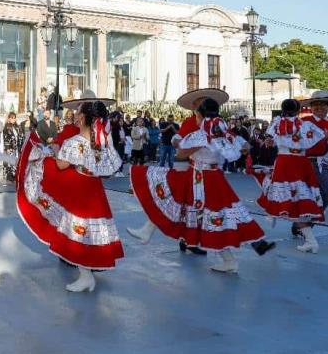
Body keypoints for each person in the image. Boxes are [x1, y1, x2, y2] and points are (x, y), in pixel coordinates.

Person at [128, 97, 270, 272]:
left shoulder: (203, 134)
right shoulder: (221, 131)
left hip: (200, 178)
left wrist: (191, 146)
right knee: (219, 213)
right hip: (210, 176)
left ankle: (239, 253)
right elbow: (244, 146)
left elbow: (181, 153)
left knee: (190, 207)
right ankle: (246, 249)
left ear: (200, 114)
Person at [16, 91, 123, 293]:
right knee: (93, 232)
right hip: (95, 190)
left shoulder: (75, 142)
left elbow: (61, 164)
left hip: (80, 191)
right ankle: (89, 272)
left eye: (77, 113)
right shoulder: (100, 141)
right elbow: (109, 166)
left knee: (79, 232)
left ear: (82, 118)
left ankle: (85, 276)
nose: (74, 115)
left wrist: (54, 153)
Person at [250, 98, 324, 253]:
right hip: (301, 162)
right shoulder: (305, 125)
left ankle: (272, 213)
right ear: (298, 111)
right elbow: (318, 137)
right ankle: (311, 241)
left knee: (277, 189)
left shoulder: (277, 123)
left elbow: (269, 140)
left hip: (285, 161)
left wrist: (272, 142)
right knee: (298, 199)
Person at [298, 90, 328, 244]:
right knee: (321, 193)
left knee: (320, 194)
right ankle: (305, 223)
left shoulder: (327, 123)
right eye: (316, 105)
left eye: (323, 104)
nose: (320, 108)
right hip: (310, 162)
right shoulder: (306, 121)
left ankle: (304, 223)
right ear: (311, 107)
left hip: (324, 162)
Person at [1, 112, 24, 183]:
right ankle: (9, 176)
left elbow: (21, 135)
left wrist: (21, 141)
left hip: (17, 146)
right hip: (10, 147)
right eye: (11, 118)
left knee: (16, 161)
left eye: (14, 118)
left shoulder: (18, 126)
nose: (13, 119)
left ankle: (15, 175)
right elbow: (5, 138)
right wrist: (7, 148)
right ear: (8, 118)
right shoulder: (6, 127)